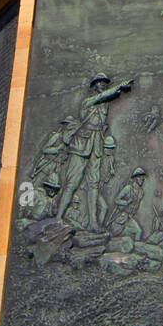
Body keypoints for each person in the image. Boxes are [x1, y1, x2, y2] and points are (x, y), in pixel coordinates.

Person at [55, 75, 132, 229]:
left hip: (96, 144)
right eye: (100, 82)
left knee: (94, 185)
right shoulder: (87, 101)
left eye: (105, 83)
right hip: (81, 145)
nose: (103, 85)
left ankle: (93, 223)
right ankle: (58, 218)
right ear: (94, 85)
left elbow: (105, 101)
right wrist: (118, 87)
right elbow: (103, 96)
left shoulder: (105, 105)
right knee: (72, 183)